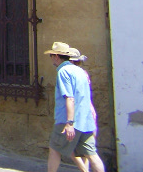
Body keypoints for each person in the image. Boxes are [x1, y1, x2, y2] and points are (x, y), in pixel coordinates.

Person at [44, 42, 105, 172]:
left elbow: (69, 98)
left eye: (51, 56)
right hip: (85, 120)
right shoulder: (81, 72)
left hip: (68, 119)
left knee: (54, 150)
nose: (51, 59)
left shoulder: (63, 71)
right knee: (92, 155)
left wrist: (69, 123)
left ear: (56, 56)